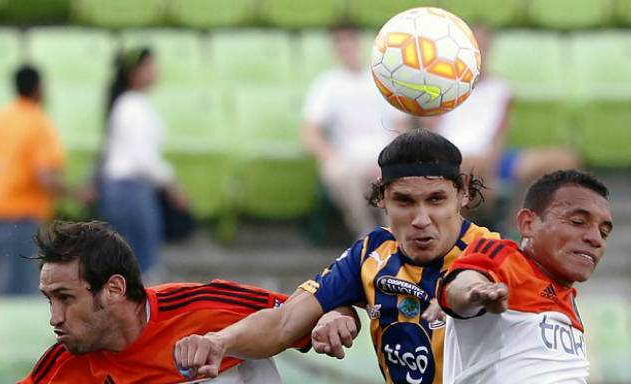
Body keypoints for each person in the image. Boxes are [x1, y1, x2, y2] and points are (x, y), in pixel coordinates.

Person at [175, 129, 500, 383]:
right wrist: (220, 341)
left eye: (436, 200)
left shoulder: (497, 255)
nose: (420, 218)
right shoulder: (371, 255)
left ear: (462, 193)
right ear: (381, 199)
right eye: (404, 201)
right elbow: (283, 322)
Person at [19, 220, 307, 383]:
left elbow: (309, 310)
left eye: (66, 298)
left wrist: (333, 316)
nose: (54, 318)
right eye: (50, 300)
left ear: (114, 289)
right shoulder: (62, 366)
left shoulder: (205, 307)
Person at [0, 66, 83, 383]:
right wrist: (80, 193)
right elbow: (44, 177)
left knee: (10, 302)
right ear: (38, 89)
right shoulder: (38, 123)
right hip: (21, 222)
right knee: (13, 306)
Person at [438, 170, 612, 383]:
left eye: (604, 232)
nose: (595, 239)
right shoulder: (504, 257)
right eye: (577, 221)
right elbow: (461, 286)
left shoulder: (568, 299)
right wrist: (476, 291)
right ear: (528, 223)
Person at [421, 25, 579, 229]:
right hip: (455, 158)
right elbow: (431, 134)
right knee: (469, 170)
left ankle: (519, 225)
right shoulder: (441, 85)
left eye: (483, 47)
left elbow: (500, 134)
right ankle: (461, 233)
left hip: (492, 159)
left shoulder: (502, 88)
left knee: (564, 159)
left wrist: (492, 166)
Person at [301, 24, 410, 238]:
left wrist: (389, 160)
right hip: (349, 160)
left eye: (350, 40)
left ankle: (397, 237)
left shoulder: (384, 78)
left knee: (399, 173)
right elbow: (309, 132)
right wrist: (331, 156)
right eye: (340, 42)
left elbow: (401, 127)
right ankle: (365, 235)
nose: (346, 47)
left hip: (385, 156)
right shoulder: (328, 84)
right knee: (336, 171)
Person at [98, 47, 188, 281]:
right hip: (132, 190)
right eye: (148, 66)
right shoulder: (133, 107)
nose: (155, 71)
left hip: (126, 190)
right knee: (141, 266)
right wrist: (171, 183)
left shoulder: (129, 104)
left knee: (131, 262)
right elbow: (143, 159)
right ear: (134, 73)